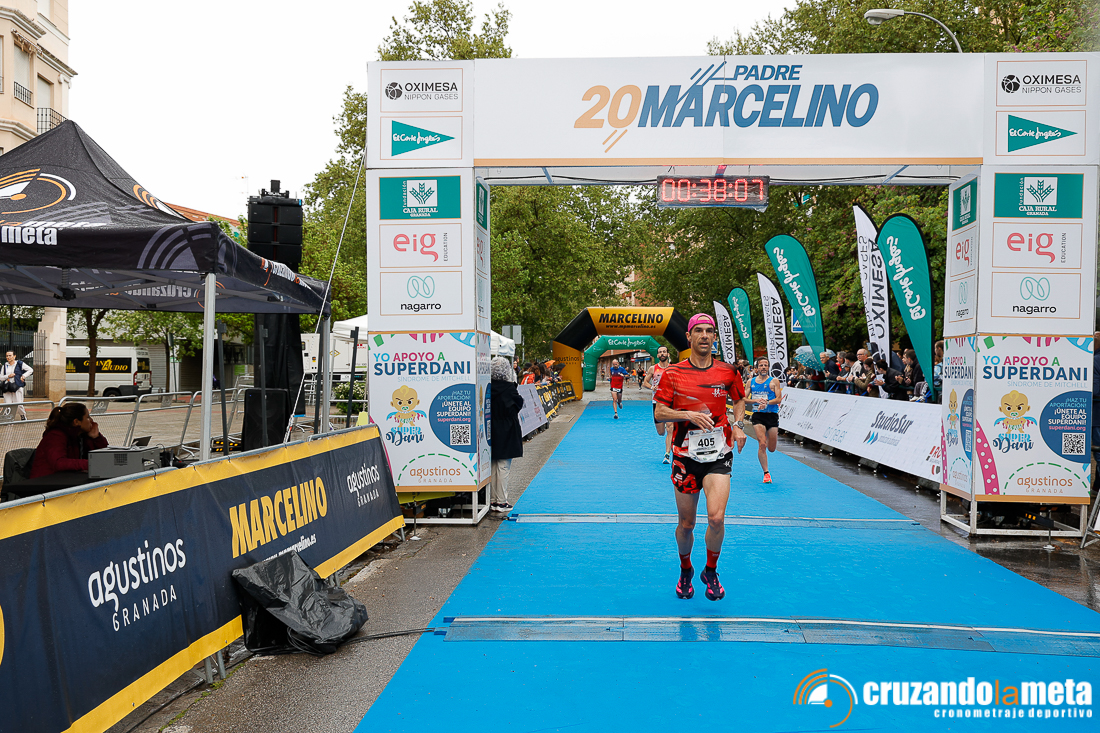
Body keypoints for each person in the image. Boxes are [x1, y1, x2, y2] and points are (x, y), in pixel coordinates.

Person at [654, 314, 747, 602]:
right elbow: (659, 412)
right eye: (699, 331)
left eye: (709, 331)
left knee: (716, 518)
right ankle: (686, 569)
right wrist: (687, 414)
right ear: (689, 336)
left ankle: (711, 570)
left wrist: (739, 425)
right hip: (685, 456)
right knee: (687, 524)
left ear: (714, 337)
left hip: (719, 454)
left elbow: (739, 399)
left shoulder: (728, 371)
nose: (705, 335)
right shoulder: (673, 373)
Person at [29, 403, 109, 479]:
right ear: (76, 422)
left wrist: (96, 438)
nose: (91, 420)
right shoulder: (56, 436)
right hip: (46, 482)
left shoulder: (82, 435)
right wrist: (89, 464)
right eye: (88, 417)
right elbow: (59, 463)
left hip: (69, 478)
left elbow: (105, 455)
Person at [489, 357, 523, 514]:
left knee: (493, 464)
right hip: (507, 428)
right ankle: (502, 501)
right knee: (503, 466)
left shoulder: (487, 387)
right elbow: (517, 404)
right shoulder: (510, 388)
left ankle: (492, 499)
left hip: (491, 426)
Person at [748, 356, 782, 483]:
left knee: (771, 448)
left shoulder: (774, 381)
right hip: (758, 415)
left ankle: (768, 437)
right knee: (762, 443)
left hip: (771, 415)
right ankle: (766, 473)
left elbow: (778, 399)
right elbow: (743, 399)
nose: (763, 367)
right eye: (761, 365)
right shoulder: (751, 382)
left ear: (768, 367)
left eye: (765, 365)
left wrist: (767, 402)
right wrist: (755, 401)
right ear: (757, 368)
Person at [642, 345, 675, 463]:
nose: (662, 354)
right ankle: (666, 430)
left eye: (664, 352)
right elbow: (645, 382)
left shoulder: (673, 368)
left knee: (670, 428)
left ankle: (667, 454)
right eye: (660, 352)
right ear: (657, 355)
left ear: (668, 354)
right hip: (657, 402)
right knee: (661, 432)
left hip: (670, 402)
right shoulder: (653, 368)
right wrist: (652, 387)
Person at [1, 350, 33, 420]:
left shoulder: (19, 363)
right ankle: (9, 419)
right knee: (8, 404)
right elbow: (1, 377)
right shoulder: (5, 366)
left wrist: (23, 376)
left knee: (19, 404)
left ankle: (23, 415)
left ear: (14, 356)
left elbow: (30, 370)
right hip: (7, 387)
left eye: (10, 355)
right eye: (7, 356)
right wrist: (8, 376)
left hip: (17, 386)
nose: (8, 357)